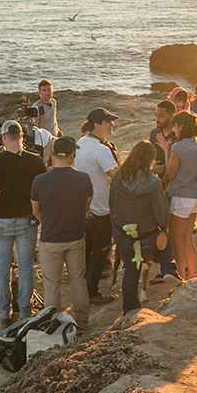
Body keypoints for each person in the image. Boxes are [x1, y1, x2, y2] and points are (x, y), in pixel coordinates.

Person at [0, 120, 47, 327]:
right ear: (21, 136)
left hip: (2, 221)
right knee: (26, 268)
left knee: (2, 269)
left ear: (3, 138)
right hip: (27, 220)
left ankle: (4, 314)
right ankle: (25, 313)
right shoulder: (36, 161)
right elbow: (42, 192)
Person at [109, 140, 181, 313]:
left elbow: (111, 206)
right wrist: (163, 229)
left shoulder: (117, 178)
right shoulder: (153, 183)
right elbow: (162, 215)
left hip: (124, 237)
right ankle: (168, 269)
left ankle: (130, 311)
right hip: (147, 238)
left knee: (131, 272)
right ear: (150, 160)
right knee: (165, 240)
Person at [31, 136, 93, 330]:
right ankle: (82, 322)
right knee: (78, 281)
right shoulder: (83, 178)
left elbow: (35, 211)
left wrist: (48, 222)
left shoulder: (40, 180)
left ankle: (53, 324)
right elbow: (85, 207)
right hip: (75, 236)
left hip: (50, 238)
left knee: (52, 284)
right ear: (73, 154)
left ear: (52, 153)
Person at [74, 108, 121, 306]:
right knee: (100, 251)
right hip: (101, 208)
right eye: (107, 121)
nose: (112, 124)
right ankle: (91, 292)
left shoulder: (80, 143)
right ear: (96, 125)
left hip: (84, 206)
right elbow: (117, 176)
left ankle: (82, 288)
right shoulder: (101, 149)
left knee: (86, 250)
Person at [163, 111, 197, 280]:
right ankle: (192, 276)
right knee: (188, 237)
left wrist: (166, 151)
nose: (174, 129)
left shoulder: (177, 148)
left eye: (175, 126)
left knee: (176, 240)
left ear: (181, 126)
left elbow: (170, 174)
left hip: (181, 197)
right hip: (196, 195)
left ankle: (180, 278)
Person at [150, 100, 178, 177]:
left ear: (172, 116)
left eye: (161, 116)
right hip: (158, 180)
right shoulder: (154, 133)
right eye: (156, 115)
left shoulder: (178, 134)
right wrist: (151, 167)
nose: (157, 119)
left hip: (175, 179)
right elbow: (150, 156)